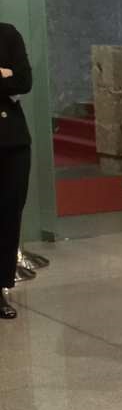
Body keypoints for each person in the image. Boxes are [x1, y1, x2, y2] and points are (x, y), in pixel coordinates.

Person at [0, 21, 33, 320]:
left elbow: (24, 80)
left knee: (9, 216)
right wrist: (2, 74)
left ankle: (1, 286)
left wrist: (11, 76)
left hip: (12, 141)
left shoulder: (7, 34)